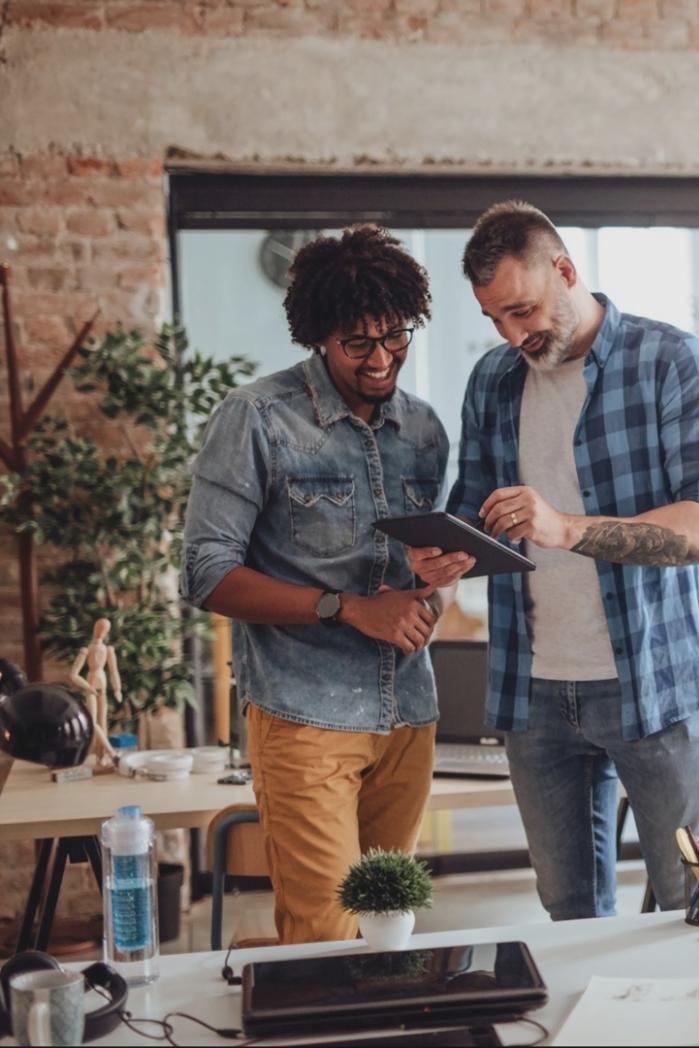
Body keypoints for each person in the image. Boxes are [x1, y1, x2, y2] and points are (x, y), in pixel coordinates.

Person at [409, 200, 699, 920]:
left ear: (565, 270)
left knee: (697, 910)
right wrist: (444, 559)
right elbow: (475, 514)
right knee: (568, 916)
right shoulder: (493, 381)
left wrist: (567, 528)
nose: (513, 334)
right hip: (534, 696)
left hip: (654, 687)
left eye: (522, 311)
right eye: (495, 318)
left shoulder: (671, 363)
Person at [183, 225, 457, 944]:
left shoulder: (424, 429)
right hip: (305, 717)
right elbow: (206, 573)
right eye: (356, 344)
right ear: (317, 337)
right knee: (327, 935)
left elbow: (423, 582)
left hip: (409, 717)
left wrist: (439, 584)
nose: (380, 359)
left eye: (395, 337)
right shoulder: (255, 419)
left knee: (390, 926)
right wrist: (346, 608)